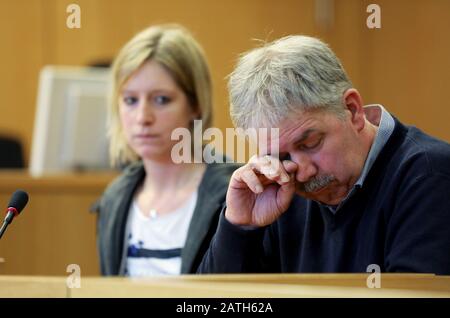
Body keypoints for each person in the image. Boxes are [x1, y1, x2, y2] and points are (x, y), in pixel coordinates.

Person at [198, 35, 450, 274]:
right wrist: (240, 226)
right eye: (281, 156)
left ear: (352, 110)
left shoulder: (430, 176)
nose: (303, 170)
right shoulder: (277, 187)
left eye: (311, 143)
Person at [93, 24, 238, 276]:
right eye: (130, 100)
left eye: (161, 99)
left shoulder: (232, 194)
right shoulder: (114, 199)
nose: (142, 117)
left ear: (196, 105)